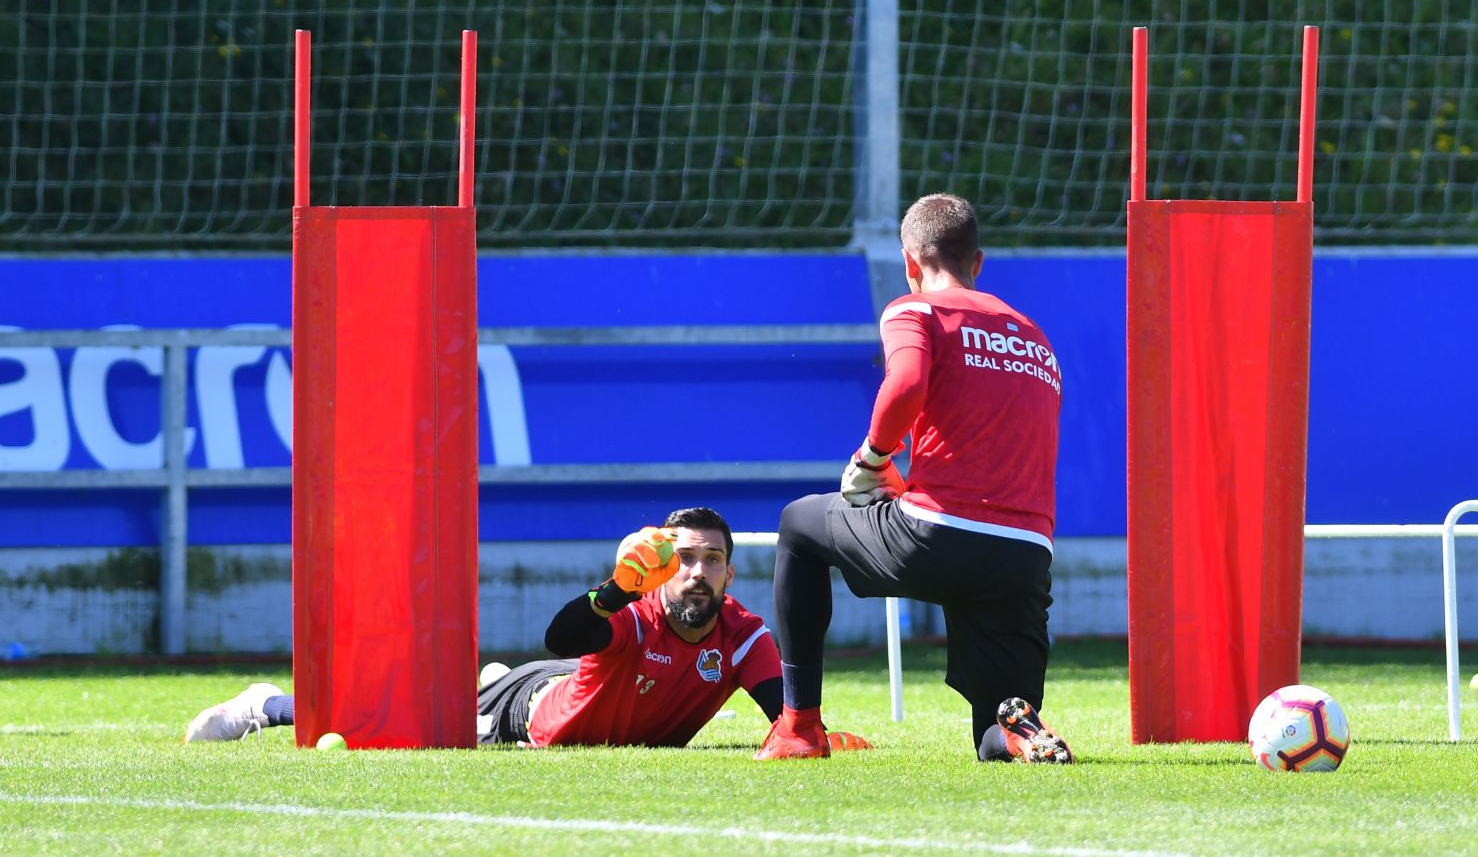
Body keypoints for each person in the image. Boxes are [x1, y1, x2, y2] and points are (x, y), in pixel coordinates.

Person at [756, 193, 1070, 763]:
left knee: (799, 524)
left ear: (910, 261)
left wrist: (873, 460)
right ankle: (1019, 733)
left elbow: (904, 383)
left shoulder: (916, 310)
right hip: (1026, 555)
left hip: (939, 535)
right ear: (978, 262)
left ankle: (798, 727)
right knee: (993, 730)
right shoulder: (1034, 337)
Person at [185, 507, 869, 751]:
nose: (696, 572)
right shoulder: (632, 612)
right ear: (663, 568)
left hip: (563, 687)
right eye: (683, 558)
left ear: (728, 574)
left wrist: (811, 731)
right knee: (388, 727)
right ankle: (265, 706)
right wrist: (613, 590)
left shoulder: (744, 634)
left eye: (711, 561)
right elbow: (564, 638)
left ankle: (486, 681)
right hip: (530, 714)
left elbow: (786, 718)